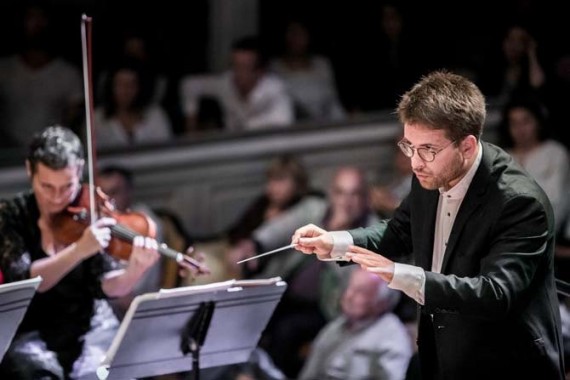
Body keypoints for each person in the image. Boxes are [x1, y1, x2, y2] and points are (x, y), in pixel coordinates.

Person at [291, 70, 565, 379]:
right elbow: (399, 231)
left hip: (505, 363)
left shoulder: (518, 202)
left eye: (428, 150)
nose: (415, 162)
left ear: (468, 147)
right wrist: (336, 242)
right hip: (444, 352)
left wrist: (403, 276)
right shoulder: (430, 173)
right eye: (409, 146)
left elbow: (494, 294)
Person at [0, 126, 206, 379]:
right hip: (33, 333)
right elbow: (27, 281)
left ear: (79, 171)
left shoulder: (91, 209)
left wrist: (134, 270)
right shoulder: (12, 215)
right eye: (47, 187)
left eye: (67, 186)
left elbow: (108, 286)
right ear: (30, 171)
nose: (57, 199)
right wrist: (78, 250)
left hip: (92, 328)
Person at [298, 267, 412, 380]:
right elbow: (309, 374)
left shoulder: (391, 337)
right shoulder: (336, 326)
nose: (349, 296)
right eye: (349, 288)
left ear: (381, 302)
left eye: (361, 292)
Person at [180, 36, 294, 133]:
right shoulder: (225, 82)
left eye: (244, 68)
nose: (236, 73)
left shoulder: (276, 90)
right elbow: (189, 85)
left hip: (265, 150)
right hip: (230, 151)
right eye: (234, 66)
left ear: (260, 72)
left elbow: (282, 127)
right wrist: (192, 127)